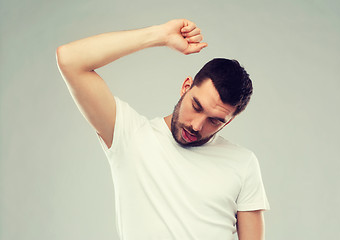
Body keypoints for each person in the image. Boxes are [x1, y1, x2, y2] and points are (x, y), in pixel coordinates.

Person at [56, 19, 270, 240]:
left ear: (228, 122)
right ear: (186, 87)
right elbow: (70, 59)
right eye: (196, 106)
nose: (196, 125)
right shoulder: (130, 136)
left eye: (214, 121)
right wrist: (160, 36)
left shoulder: (243, 163)